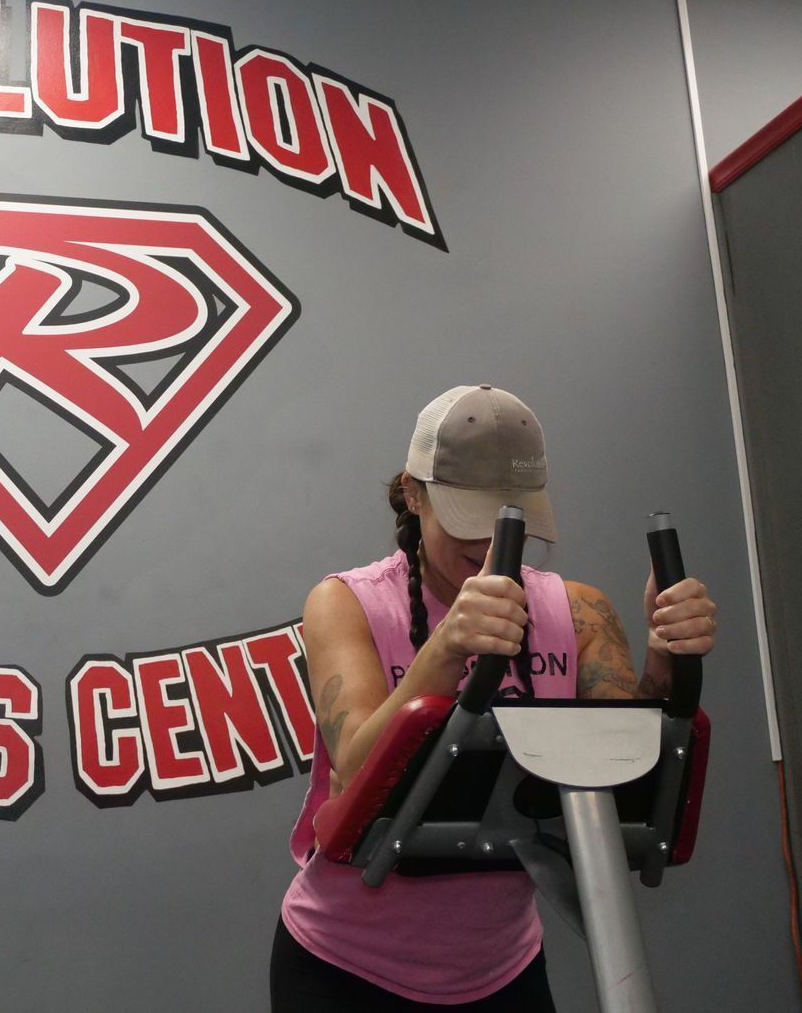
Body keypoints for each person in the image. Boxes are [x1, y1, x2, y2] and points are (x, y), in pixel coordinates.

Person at [270, 385, 718, 1012]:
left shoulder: (579, 611)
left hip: (501, 971)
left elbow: (622, 779)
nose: (486, 547)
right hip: (344, 965)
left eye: (507, 523)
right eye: (468, 520)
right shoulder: (347, 602)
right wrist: (446, 647)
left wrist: (665, 663)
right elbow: (355, 764)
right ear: (412, 492)